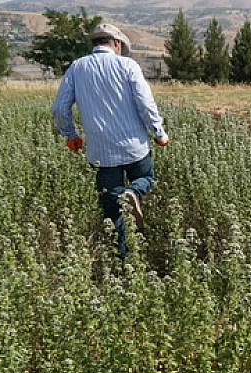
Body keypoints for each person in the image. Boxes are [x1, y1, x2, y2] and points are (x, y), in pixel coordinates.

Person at [50, 23, 170, 255]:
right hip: (134, 146)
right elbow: (145, 104)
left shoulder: (77, 68)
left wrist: (70, 135)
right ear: (116, 43)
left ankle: (123, 261)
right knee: (146, 177)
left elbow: (59, 109)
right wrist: (159, 133)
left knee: (112, 211)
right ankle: (134, 192)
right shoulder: (128, 65)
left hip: (101, 153)